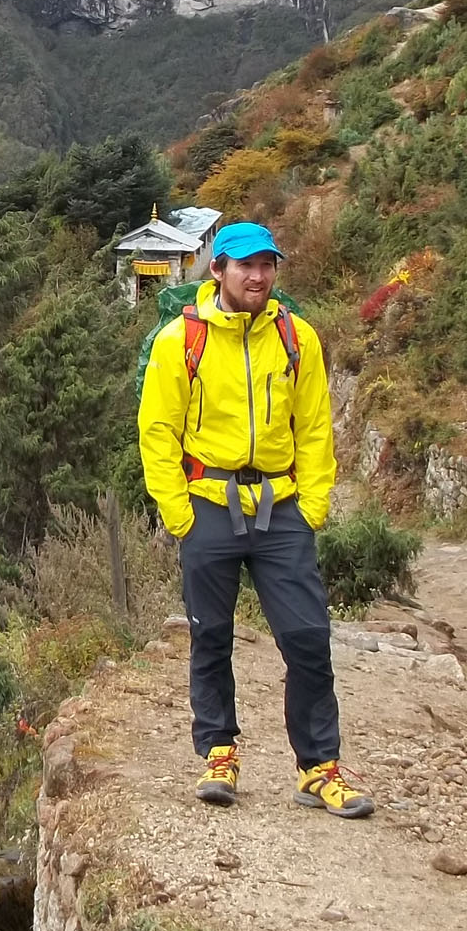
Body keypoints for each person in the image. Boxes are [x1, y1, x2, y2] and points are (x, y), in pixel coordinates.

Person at [137, 221, 373, 819]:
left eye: (267, 265)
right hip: (208, 506)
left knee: (307, 637)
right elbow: (158, 430)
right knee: (210, 637)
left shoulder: (299, 339)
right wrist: (177, 512)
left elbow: (315, 427)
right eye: (245, 265)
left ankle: (319, 768)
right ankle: (219, 751)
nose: (258, 276)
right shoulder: (179, 341)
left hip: (283, 506)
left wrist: (314, 503)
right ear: (217, 270)